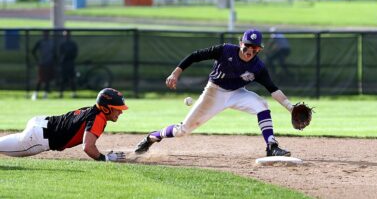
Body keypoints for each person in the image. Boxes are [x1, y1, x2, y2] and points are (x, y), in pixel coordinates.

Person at [135, 29, 296, 157]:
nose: (250, 50)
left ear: (259, 50)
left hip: (237, 93)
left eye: (255, 48)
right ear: (240, 43)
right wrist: (176, 73)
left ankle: (271, 146)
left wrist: (291, 108)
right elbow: (195, 56)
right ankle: (152, 137)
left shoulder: (258, 67)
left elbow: (273, 89)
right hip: (214, 93)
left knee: (262, 105)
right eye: (247, 45)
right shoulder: (225, 50)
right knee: (182, 131)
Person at [0, 88, 128, 162]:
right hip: (38, 137)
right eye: (117, 108)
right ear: (106, 108)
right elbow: (88, 147)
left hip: (40, 124)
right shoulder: (98, 118)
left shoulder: (90, 110)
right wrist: (105, 158)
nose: (121, 112)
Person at [31, 30, 56, 100]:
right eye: (45, 34)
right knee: (40, 79)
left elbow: (54, 53)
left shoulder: (52, 42)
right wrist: (37, 60)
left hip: (49, 63)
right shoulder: (40, 42)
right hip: (42, 63)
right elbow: (33, 51)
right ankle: (35, 94)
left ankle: (45, 95)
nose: (46, 35)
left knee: (47, 80)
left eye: (47, 34)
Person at [59, 30, 78, 98]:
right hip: (64, 64)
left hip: (70, 64)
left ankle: (74, 93)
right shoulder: (62, 44)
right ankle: (61, 93)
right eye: (65, 35)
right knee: (63, 79)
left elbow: (75, 54)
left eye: (67, 35)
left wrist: (69, 55)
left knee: (71, 79)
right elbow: (60, 54)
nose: (66, 36)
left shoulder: (73, 44)